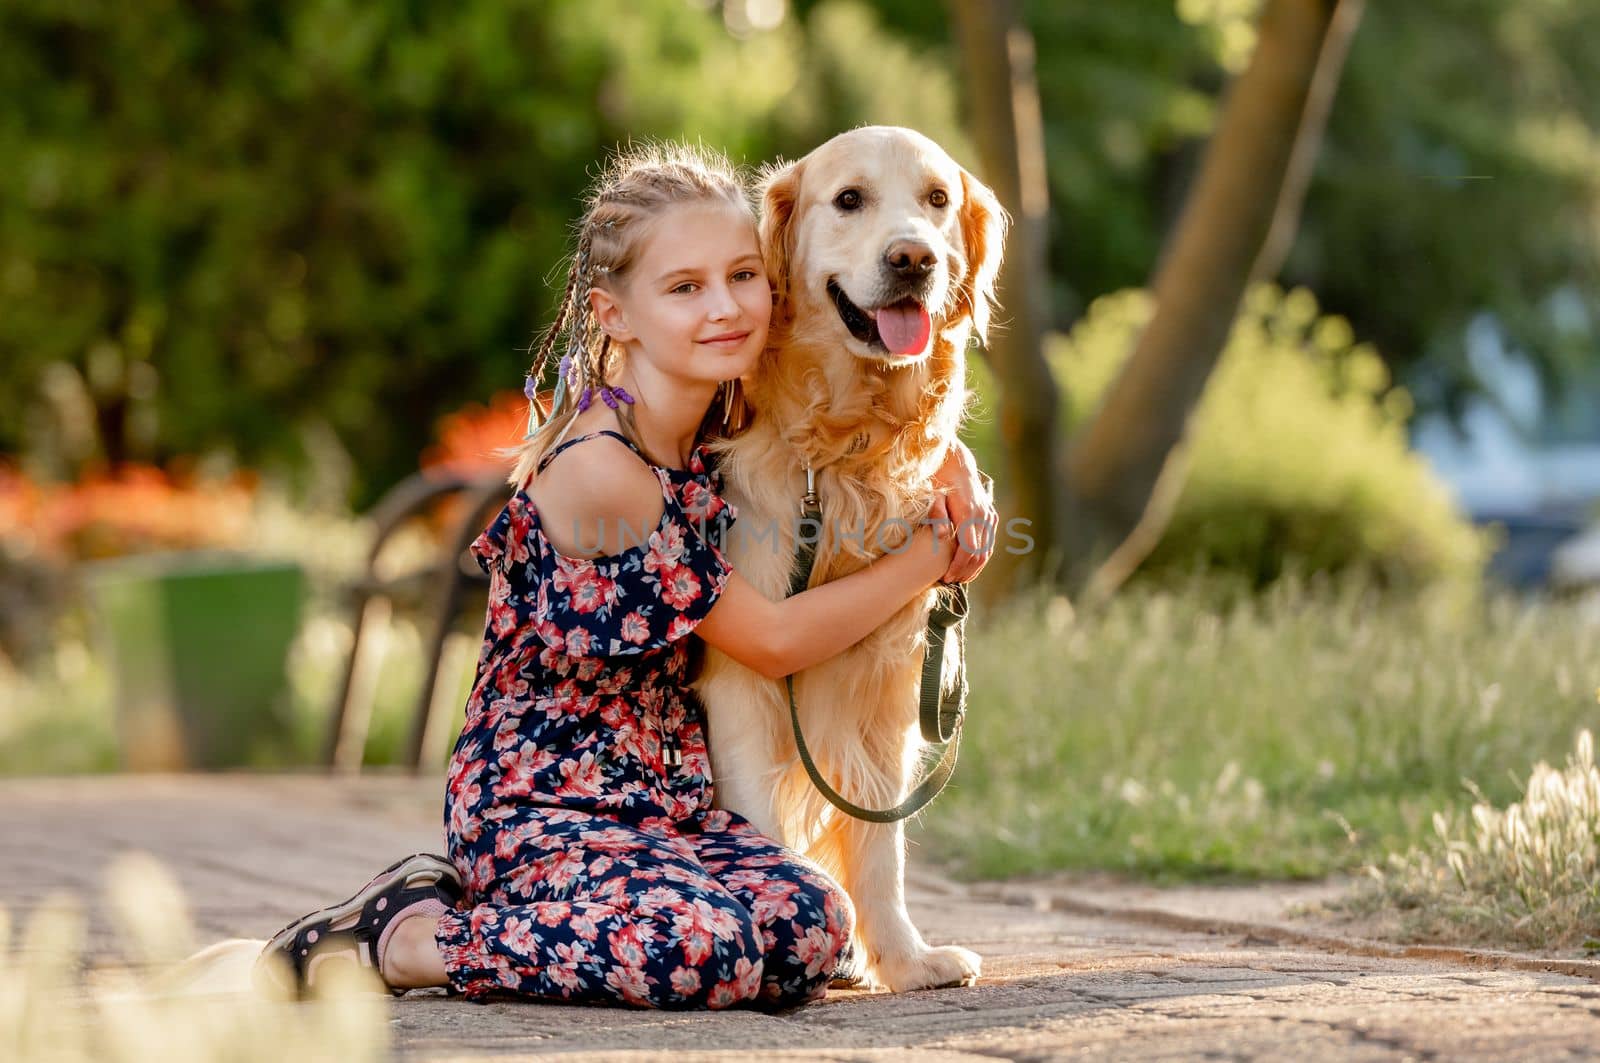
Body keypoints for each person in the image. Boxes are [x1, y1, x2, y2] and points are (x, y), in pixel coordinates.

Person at [256, 143, 991, 1010]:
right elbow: (775, 641)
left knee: (809, 926)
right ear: (616, 315)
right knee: (702, 950)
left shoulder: (726, 407)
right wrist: (929, 557)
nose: (724, 308)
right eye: (684, 289)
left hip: (669, 804)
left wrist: (952, 465)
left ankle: (610, 920)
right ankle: (411, 936)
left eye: (741, 277)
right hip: (550, 804)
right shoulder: (606, 468)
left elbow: (865, 431)